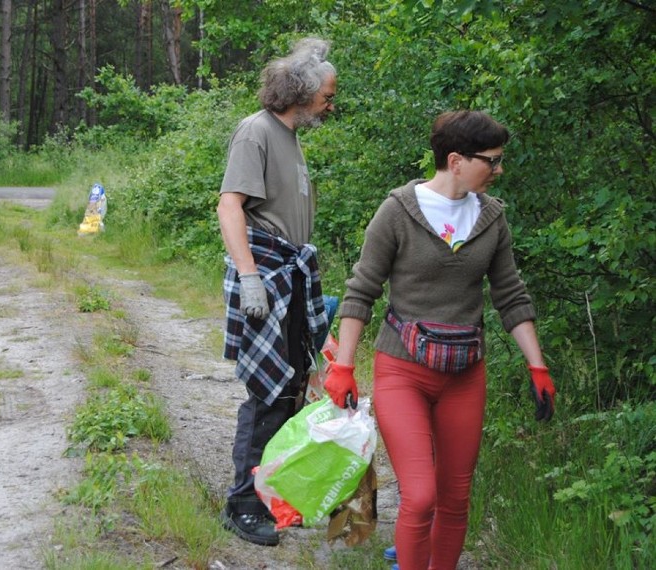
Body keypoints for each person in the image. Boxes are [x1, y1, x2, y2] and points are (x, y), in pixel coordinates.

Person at [323, 111, 556, 570]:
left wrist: (538, 366)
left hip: (465, 375)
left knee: (454, 498)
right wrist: (344, 366)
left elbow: (511, 295)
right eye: (492, 160)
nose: (499, 169)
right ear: (456, 160)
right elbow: (362, 289)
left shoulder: (491, 218)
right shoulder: (398, 210)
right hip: (402, 369)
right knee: (422, 494)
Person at [217, 37, 337, 546]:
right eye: (328, 95)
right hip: (265, 275)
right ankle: (242, 505)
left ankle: (268, 494)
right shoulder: (256, 132)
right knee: (267, 394)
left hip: (289, 274)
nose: (332, 103)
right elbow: (229, 206)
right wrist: (248, 278)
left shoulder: (289, 136)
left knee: (290, 390)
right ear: (303, 91)